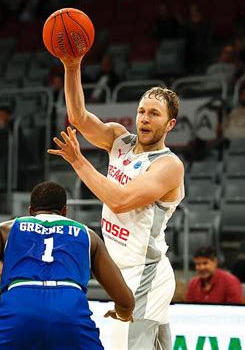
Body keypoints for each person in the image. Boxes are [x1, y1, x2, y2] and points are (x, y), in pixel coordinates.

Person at [49, 55, 185, 349]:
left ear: (170, 123)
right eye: (141, 111)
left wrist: (78, 161)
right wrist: (72, 67)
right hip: (122, 271)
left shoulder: (168, 165)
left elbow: (120, 201)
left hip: (145, 273)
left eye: (154, 114)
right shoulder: (118, 139)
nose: (145, 119)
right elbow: (79, 117)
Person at [0, 181, 135, 350]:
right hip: (69, 310)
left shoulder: (6, 229)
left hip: (20, 306)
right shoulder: (87, 235)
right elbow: (125, 299)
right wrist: (122, 312)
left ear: (30, 211)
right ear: (64, 212)